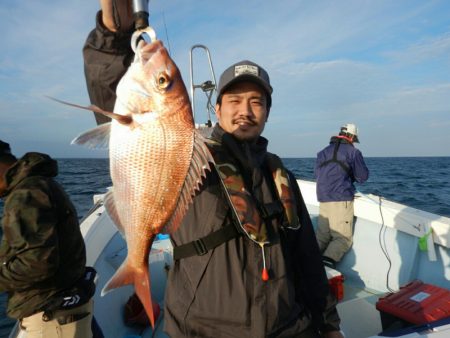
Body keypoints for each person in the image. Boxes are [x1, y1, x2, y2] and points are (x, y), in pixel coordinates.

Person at [84, 2, 344, 337]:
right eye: (234, 101)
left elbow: (307, 260)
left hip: (288, 328)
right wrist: (113, 32)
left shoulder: (282, 178)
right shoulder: (193, 160)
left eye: (256, 101)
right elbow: (113, 91)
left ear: (267, 112)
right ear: (217, 107)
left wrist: (329, 324)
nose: (245, 111)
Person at [0, 141, 96, 338]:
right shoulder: (40, 184)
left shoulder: (26, 194)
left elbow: (37, 264)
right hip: (65, 311)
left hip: (51, 319)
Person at [314, 124, 369, 268]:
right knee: (343, 239)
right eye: (354, 139)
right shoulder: (353, 152)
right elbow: (362, 177)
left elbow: (318, 174)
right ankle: (326, 268)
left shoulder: (322, 152)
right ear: (351, 137)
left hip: (323, 198)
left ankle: (308, 262)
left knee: (322, 237)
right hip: (341, 198)